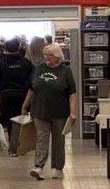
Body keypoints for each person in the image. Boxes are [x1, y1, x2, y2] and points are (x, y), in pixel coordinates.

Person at [22, 42, 77, 180]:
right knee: (41, 139)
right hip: (40, 111)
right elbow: (31, 89)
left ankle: (58, 168)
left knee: (59, 141)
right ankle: (39, 167)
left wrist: (73, 112)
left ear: (58, 57)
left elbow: (72, 93)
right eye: (45, 55)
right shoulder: (38, 69)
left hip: (60, 113)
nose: (46, 58)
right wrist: (25, 105)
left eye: (50, 55)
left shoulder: (65, 71)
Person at [0, 38, 34, 154]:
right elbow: (32, 78)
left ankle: (13, 147)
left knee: (10, 120)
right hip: (22, 94)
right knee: (22, 119)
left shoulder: (1, 62)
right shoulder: (25, 62)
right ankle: (21, 144)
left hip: (6, 94)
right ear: (18, 47)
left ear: (6, 48)